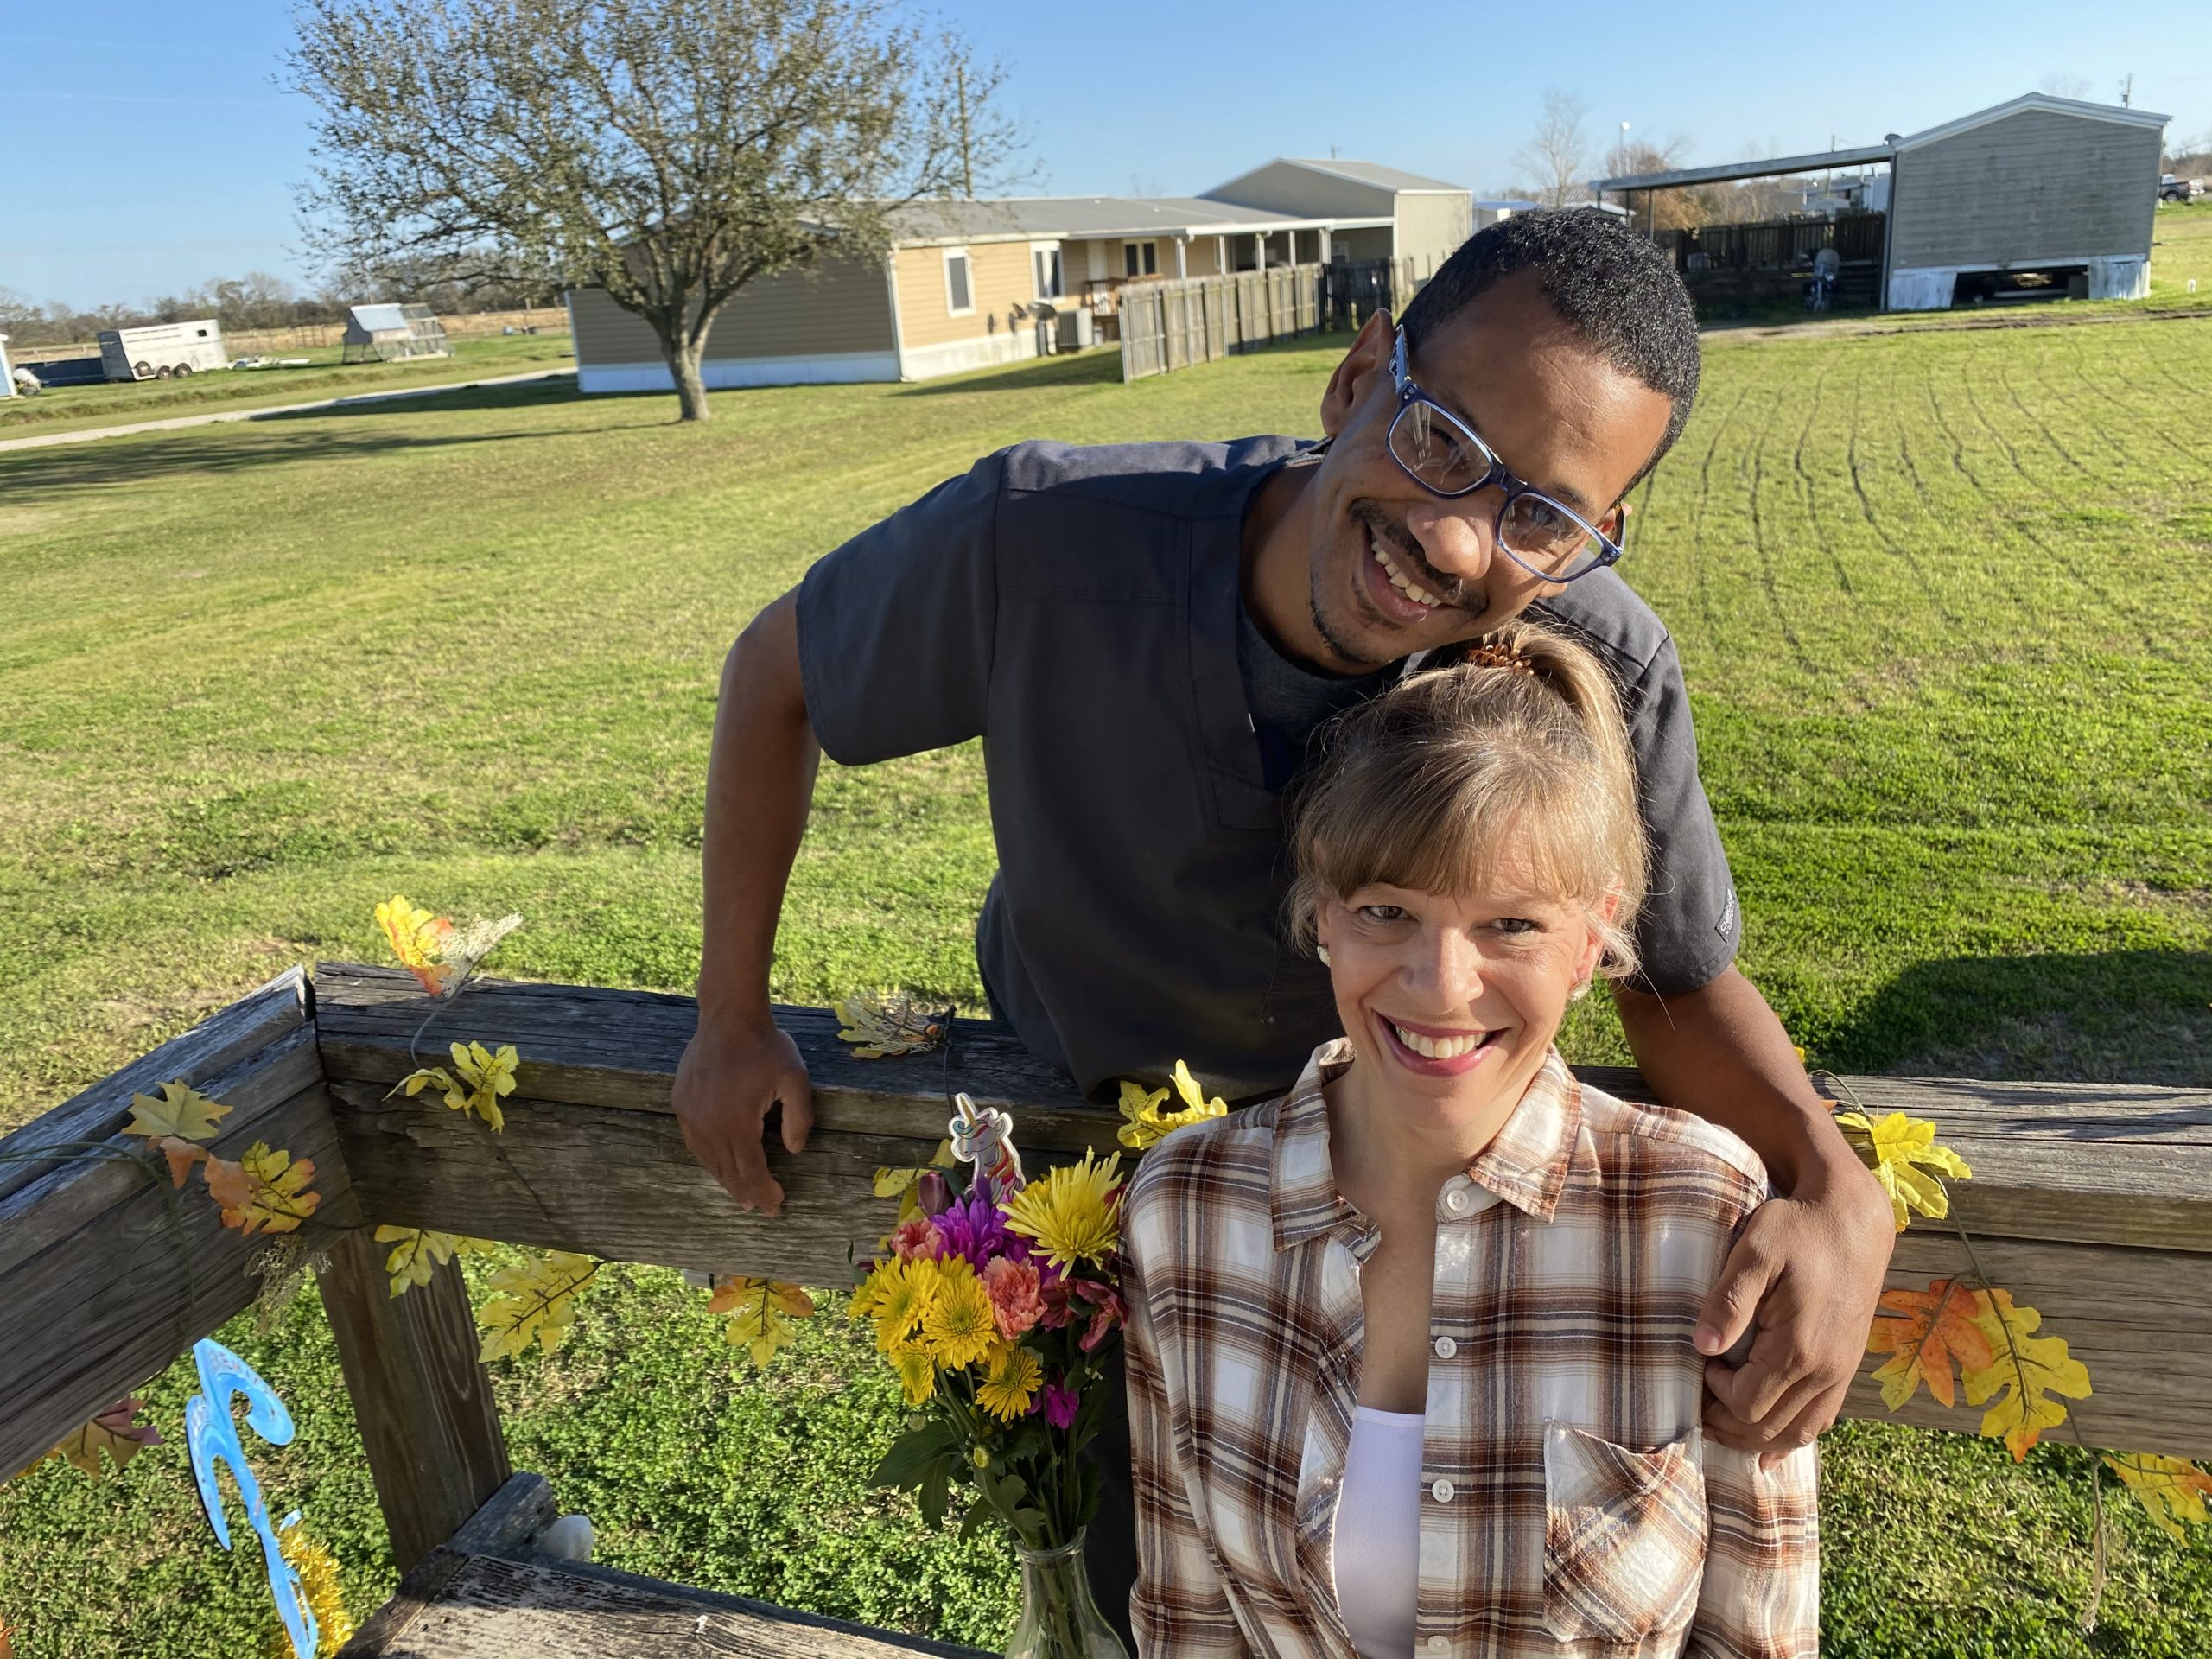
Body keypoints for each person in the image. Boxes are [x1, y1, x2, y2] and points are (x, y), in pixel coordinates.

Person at [671, 209, 1889, 1632]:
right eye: (1438, 439)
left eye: (1541, 516)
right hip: (1148, 1203)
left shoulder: (1594, 659)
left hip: (1397, 1187)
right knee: (1178, 1583)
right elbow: (779, 674)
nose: (1452, 535)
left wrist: (1831, 1177)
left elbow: (1669, 971)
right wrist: (729, 1017)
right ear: (1361, 369)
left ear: (1594, 539)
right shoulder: (1045, 543)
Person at [1122, 626, 1819, 1657]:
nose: (1441, 984)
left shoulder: (1698, 1218)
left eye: (1512, 925)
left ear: (1595, 940)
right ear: (1323, 915)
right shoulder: (1186, 1212)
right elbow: (1186, 1625)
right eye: (1386, 911)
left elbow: (1756, 1640)